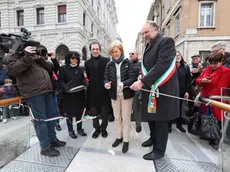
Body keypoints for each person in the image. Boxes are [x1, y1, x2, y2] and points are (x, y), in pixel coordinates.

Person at [130, 21, 179, 160]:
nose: (145, 35)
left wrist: (142, 81)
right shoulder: (149, 44)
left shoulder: (166, 42)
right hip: (151, 89)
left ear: (156, 30)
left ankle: (159, 150)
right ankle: (153, 139)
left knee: (161, 121)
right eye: (144, 32)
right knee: (152, 117)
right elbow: (147, 65)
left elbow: (161, 65)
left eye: (147, 32)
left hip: (162, 89)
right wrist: (142, 75)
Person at [7, 46, 66, 157]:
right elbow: (13, 71)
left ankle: (52, 140)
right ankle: (45, 147)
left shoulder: (35, 58)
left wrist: (38, 57)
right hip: (33, 94)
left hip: (47, 91)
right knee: (40, 121)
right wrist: (26, 56)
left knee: (51, 118)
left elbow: (49, 68)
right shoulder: (14, 57)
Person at [104, 40, 136, 153]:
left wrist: (124, 83)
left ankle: (126, 140)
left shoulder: (129, 63)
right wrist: (106, 84)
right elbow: (105, 78)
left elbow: (133, 78)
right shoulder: (109, 64)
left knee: (126, 119)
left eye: (116, 51)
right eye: (112, 52)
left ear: (121, 51)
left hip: (126, 95)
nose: (114, 54)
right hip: (114, 95)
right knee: (117, 118)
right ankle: (119, 137)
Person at [58, 51, 87, 139]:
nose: (75, 60)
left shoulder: (80, 68)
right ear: (69, 59)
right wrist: (66, 88)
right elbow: (60, 81)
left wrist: (85, 83)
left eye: (76, 58)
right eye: (73, 58)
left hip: (79, 94)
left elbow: (82, 79)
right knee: (69, 114)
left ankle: (79, 129)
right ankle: (70, 130)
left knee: (79, 113)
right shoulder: (63, 68)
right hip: (69, 95)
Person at [85, 42, 110, 138]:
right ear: (90, 50)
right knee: (94, 114)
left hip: (104, 92)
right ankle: (96, 129)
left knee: (104, 114)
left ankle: (104, 129)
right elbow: (89, 76)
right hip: (92, 92)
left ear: (99, 49)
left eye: (97, 49)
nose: (95, 51)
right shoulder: (87, 63)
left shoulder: (106, 61)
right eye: (93, 49)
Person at [129, 49, 142, 132]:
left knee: (137, 108)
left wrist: (140, 75)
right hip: (128, 88)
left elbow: (141, 73)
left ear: (137, 55)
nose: (130, 55)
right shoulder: (127, 64)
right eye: (129, 54)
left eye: (132, 53)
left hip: (137, 89)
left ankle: (138, 125)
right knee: (128, 108)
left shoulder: (140, 64)